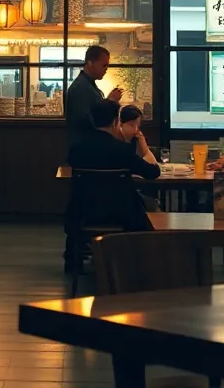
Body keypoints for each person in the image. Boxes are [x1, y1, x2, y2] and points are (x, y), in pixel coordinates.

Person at [65, 99, 159, 270]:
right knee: (150, 206)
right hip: (122, 212)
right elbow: (153, 172)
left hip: (84, 211)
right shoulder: (122, 150)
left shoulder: (77, 149)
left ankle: (73, 261)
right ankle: (137, 259)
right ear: (116, 121)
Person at [65, 45, 123, 147]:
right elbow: (87, 121)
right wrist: (110, 102)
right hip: (85, 148)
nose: (106, 69)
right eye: (103, 65)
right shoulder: (80, 88)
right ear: (90, 63)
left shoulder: (87, 85)